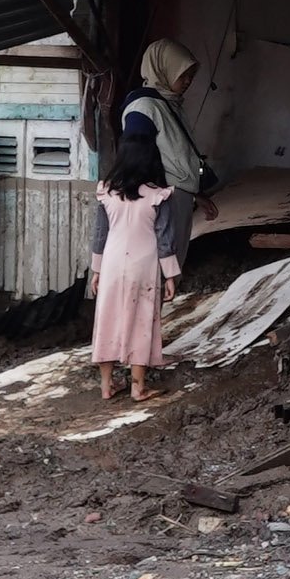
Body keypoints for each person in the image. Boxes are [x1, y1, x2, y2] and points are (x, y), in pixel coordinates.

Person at [89, 130, 180, 401]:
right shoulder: (158, 195)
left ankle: (106, 386)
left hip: (113, 261)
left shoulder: (106, 191)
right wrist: (171, 275)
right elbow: (165, 237)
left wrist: (96, 270)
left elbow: (100, 234)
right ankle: (138, 387)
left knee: (107, 318)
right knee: (142, 318)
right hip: (145, 262)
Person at [120, 40, 219, 267]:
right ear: (163, 69)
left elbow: (173, 156)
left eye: (191, 75)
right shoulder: (144, 107)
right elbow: (136, 161)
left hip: (174, 198)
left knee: (171, 268)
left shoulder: (168, 104)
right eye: (182, 74)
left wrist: (195, 194)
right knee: (160, 270)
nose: (188, 81)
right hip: (160, 202)